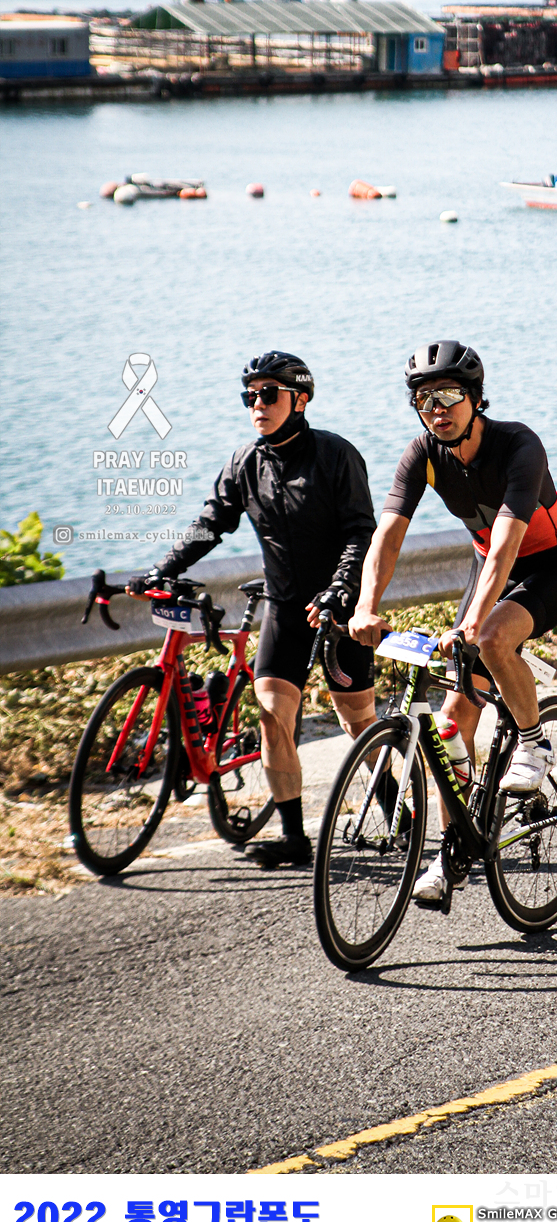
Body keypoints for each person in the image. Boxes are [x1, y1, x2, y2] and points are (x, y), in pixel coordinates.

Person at [349, 341, 557, 903]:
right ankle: (452, 852)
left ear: (476, 398)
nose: (438, 409)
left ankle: (533, 742)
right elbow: (387, 537)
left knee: (494, 639)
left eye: (450, 394)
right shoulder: (422, 454)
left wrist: (473, 624)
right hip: (488, 572)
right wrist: (365, 606)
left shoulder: (519, 444)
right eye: (424, 399)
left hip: (548, 567)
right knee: (453, 720)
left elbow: (506, 545)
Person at [129, 351, 377, 868]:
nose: (256, 404)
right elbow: (211, 522)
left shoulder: (335, 454)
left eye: (268, 394)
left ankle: (401, 805)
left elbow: (361, 531)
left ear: (300, 399)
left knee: (358, 725)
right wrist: (162, 569)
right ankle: (294, 838)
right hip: (285, 610)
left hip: (337, 610)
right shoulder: (246, 462)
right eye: (249, 396)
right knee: (271, 716)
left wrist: (340, 588)